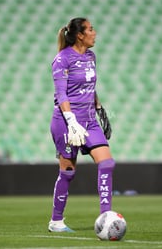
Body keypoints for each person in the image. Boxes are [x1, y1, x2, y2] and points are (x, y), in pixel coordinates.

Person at [48, 17, 113, 232]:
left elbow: (89, 85)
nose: (95, 33)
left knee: (106, 163)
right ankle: (56, 221)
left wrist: (99, 107)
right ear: (80, 35)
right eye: (91, 29)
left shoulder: (91, 56)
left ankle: (106, 217)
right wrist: (71, 121)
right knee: (68, 172)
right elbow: (61, 92)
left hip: (89, 121)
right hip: (67, 123)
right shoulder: (62, 59)